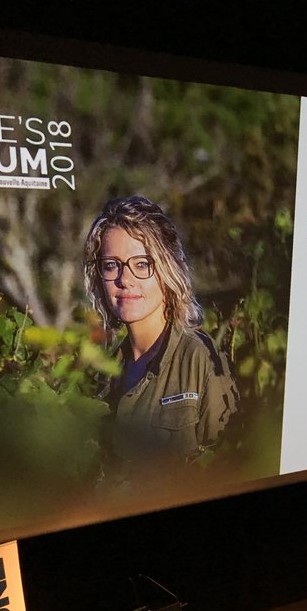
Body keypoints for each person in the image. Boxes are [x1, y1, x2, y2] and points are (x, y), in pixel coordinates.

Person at [83, 195, 238, 475]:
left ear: (168, 269)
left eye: (142, 264)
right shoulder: (103, 374)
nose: (124, 279)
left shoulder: (200, 356)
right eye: (111, 265)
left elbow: (227, 463)